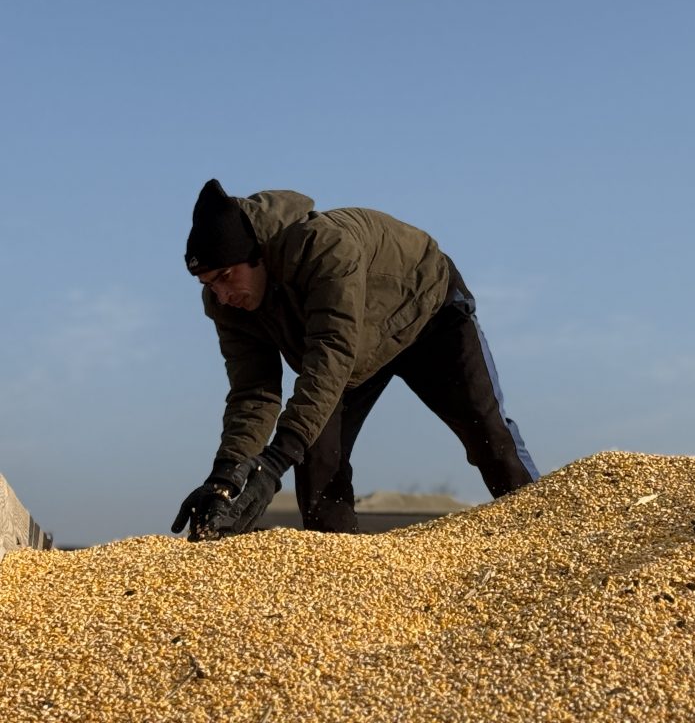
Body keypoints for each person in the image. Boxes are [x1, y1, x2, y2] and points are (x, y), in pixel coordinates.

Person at [171, 178, 539, 541]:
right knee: (317, 464)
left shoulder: (326, 247)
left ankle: (541, 531)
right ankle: (342, 568)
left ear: (258, 255)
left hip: (427, 315)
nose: (221, 294)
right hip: (353, 353)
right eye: (208, 284)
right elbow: (254, 392)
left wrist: (273, 464)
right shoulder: (227, 305)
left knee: (488, 433)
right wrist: (225, 478)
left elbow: (331, 352)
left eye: (225, 276)